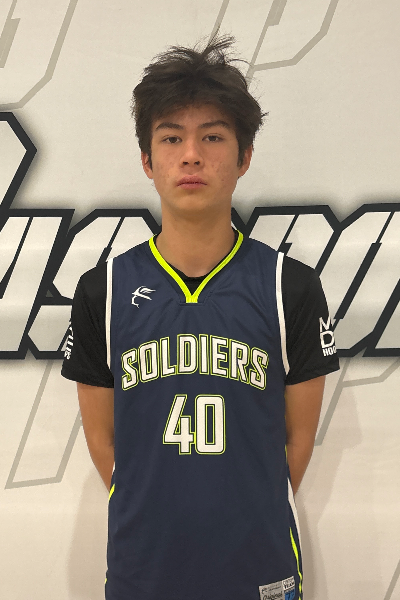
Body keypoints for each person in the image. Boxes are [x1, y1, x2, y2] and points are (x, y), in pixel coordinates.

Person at [62, 35, 339, 600]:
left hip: (259, 567)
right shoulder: (102, 291)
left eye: (212, 136)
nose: (191, 155)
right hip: (143, 572)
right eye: (171, 138)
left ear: (244, 157)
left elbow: (297, 441)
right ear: (148, 160)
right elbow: (103, 441)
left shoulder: (290, 286)